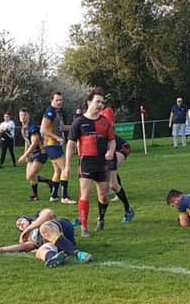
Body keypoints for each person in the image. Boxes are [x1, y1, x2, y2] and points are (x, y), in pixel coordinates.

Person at [64, 87, 116, 237]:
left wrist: (110, 151)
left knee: (103, 196)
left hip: (102, 164)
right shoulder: (78, 122)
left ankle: (101, 218)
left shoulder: (105, 122)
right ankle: (84, 227)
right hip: (86, 162)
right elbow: (71, 144)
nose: (100, 105)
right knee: (85, 194)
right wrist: (67, 166)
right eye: (97, 101)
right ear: (89, 102)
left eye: (102, 102)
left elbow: (112, 141)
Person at [0, 208, 93, 268]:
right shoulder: (32, 239)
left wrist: (27, 230)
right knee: (39, 250)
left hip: (60, 227)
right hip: (59, 243)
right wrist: (2, 249)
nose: (19, 224)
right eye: (18, 226)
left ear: (27, 218)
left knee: (44, 228)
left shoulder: (38, 217)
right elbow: (23, 247)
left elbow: (48, 213)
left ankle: (77, 253)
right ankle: (54, 257)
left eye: (20, 221)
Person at [100, 105, 135, 224]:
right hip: (106, 151)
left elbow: (110, 128)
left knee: (111, 176)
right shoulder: (88, 118)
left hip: (121, 148)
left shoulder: (107, 111)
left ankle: (127, 208)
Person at [40, 92, 77, 204]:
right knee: (66, 169)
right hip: (51, 145)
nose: (59, 102)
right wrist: (57, 137)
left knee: (58, 170)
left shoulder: (57, 112)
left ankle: (54, 195)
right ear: (51, 100)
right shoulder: (50, 112)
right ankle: (64, 197)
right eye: (57, 100)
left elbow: (60, 127)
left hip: (54, 145)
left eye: (61, 100)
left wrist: (74, 126)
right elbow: (43, 129)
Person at [17, 108, 52, 201]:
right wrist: (26, 154)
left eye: (25, 115)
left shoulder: (32, 127)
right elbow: (27, 142)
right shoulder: (23, 128)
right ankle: (37, 194)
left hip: (41, 153)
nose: (23, 117)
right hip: (32, 154)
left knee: (31, 175)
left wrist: (24, 156)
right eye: (21, 115)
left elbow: (34, 143)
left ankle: (48, 183)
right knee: (29, 176)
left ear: (29, 116)